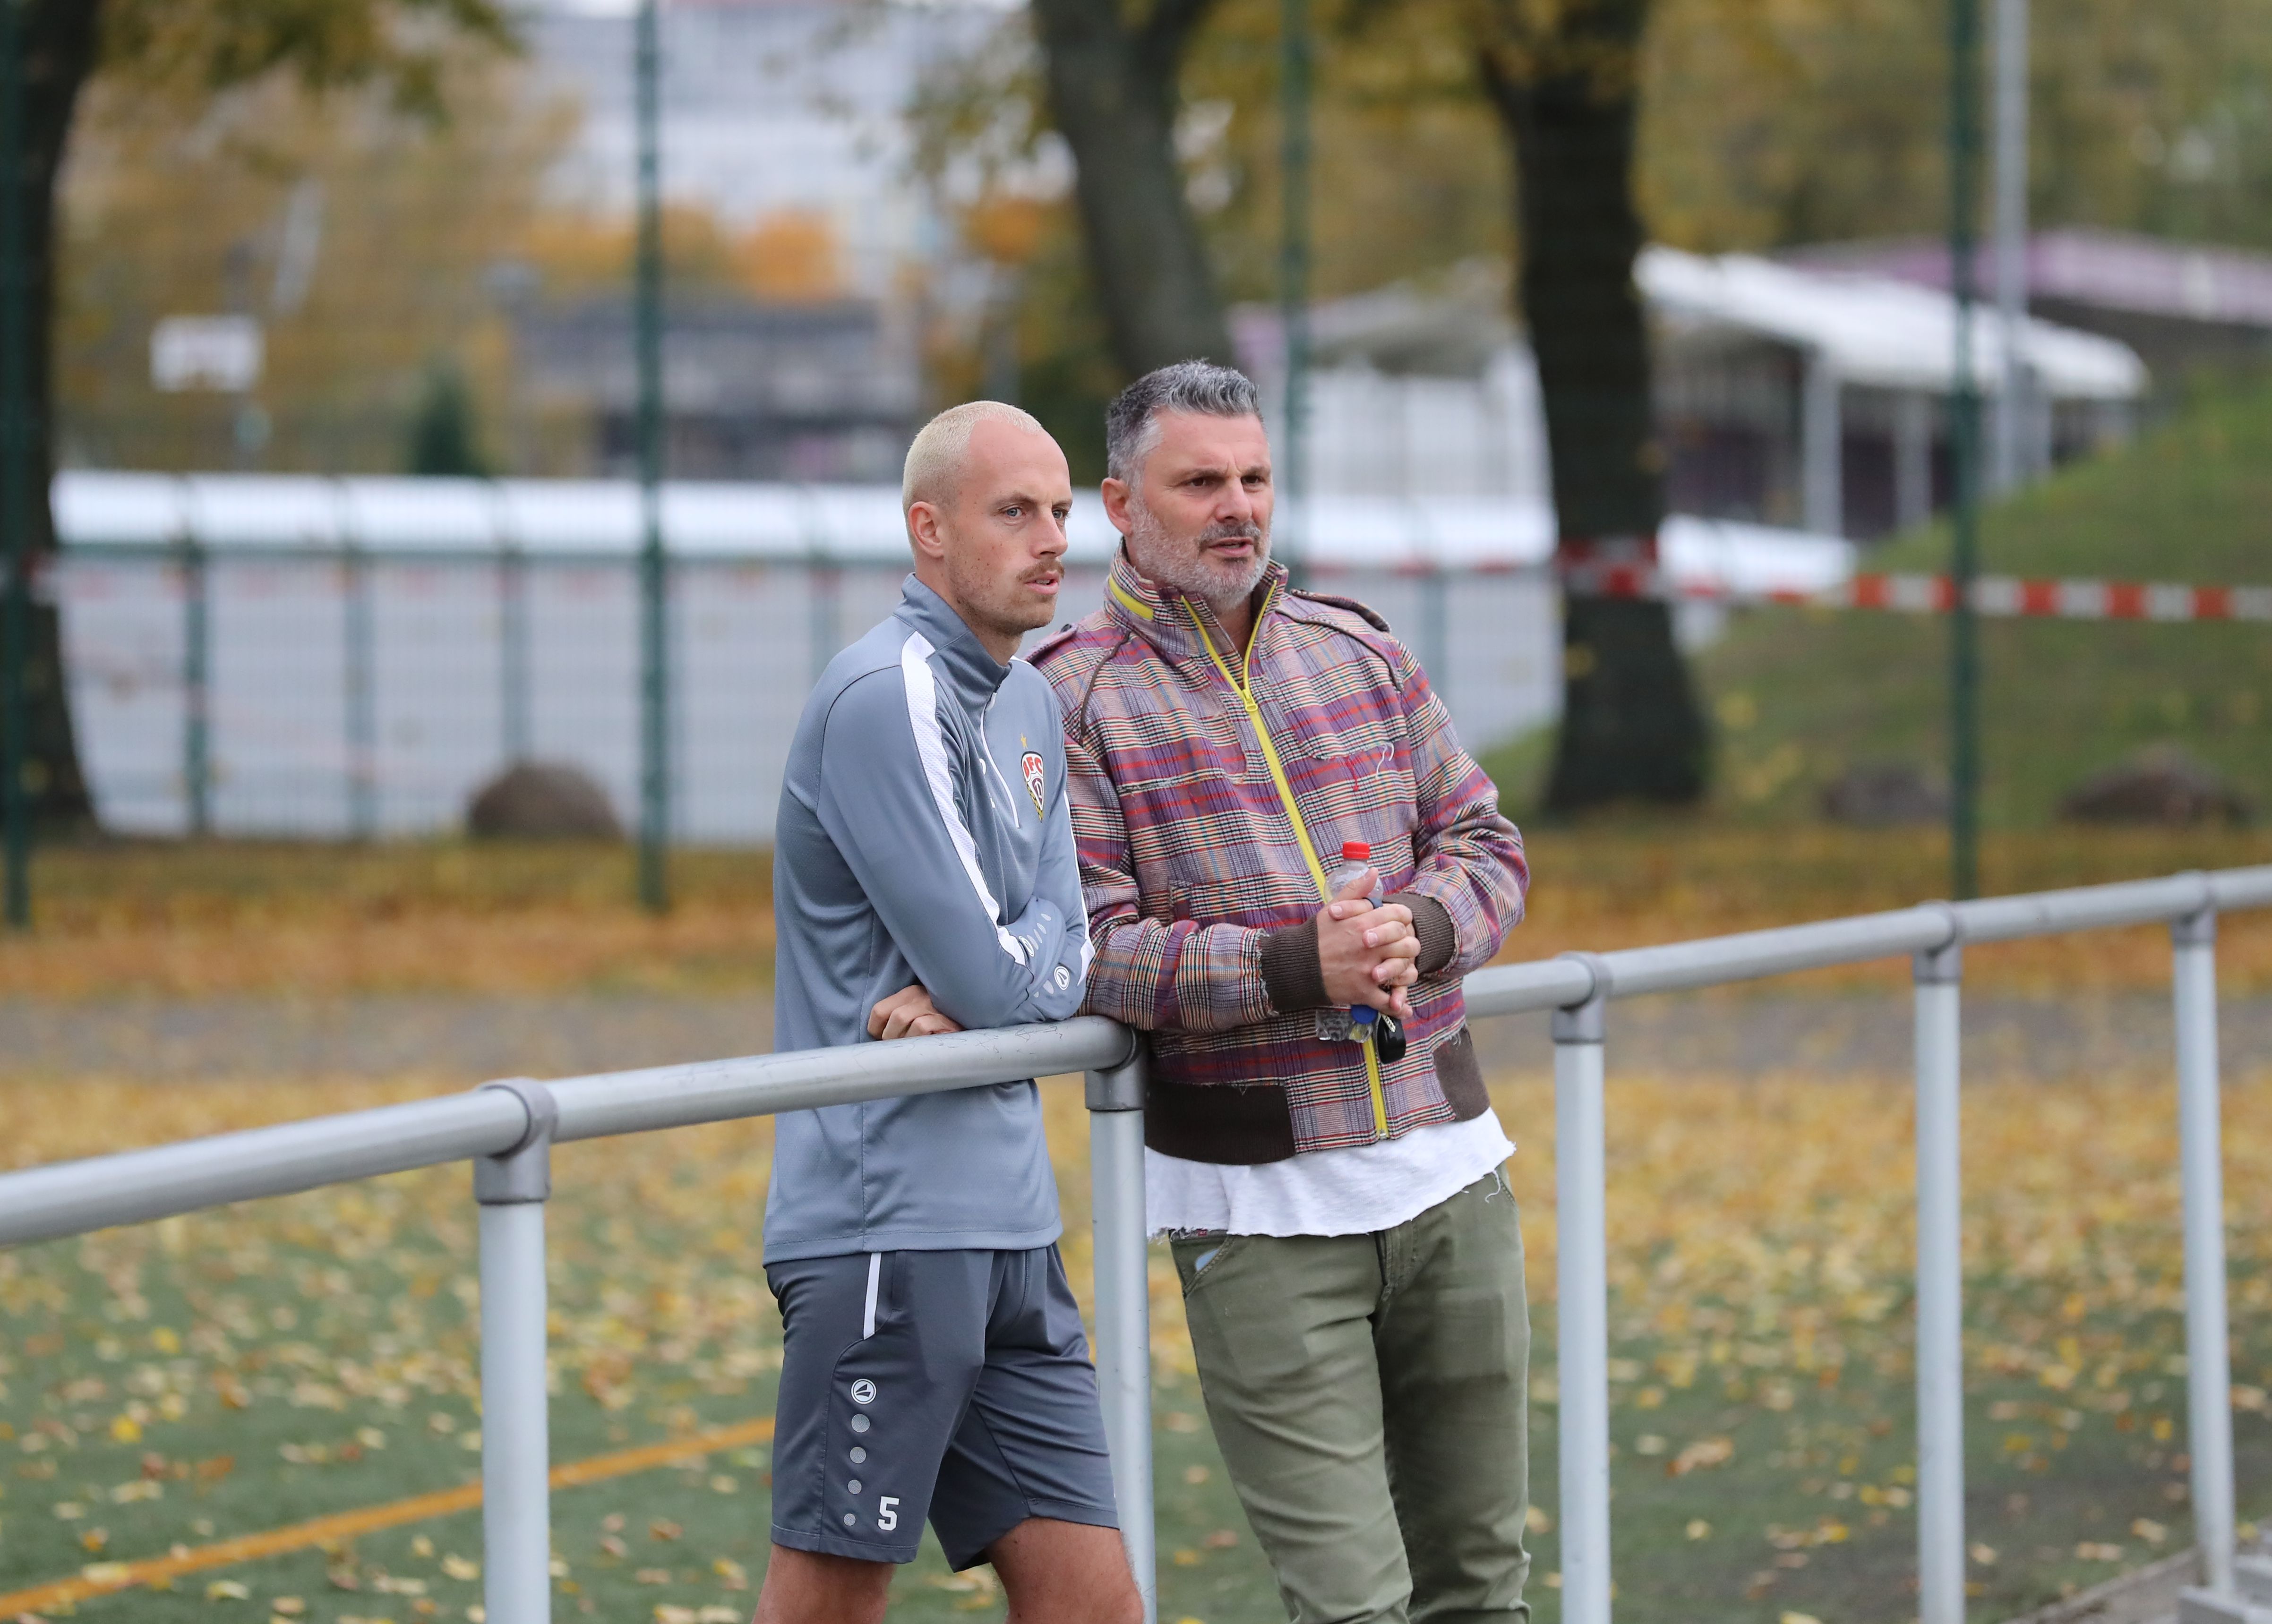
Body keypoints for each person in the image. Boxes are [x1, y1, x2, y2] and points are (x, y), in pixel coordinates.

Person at [1031, 362, 1533, 1624]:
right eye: (1199, 482)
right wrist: (1290, 966)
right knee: (1352, 1611)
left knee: (1481, 1590)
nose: (1236, 507)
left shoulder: (1357, 649)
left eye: (1254, 477)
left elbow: (1487, 844)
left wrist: (1420, 927)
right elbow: (1085, 952)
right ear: (1118, 503)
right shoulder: (1067, 699)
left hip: (1452, 1178)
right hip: (1256, 1217)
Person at [755, 401, 1140, 1624]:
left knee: (1095, 1609)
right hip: (887, 1228)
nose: (1049, 540)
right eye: (1012, 512)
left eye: (1060, 512)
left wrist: (999, 983)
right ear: (928, 531)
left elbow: (1069, 949)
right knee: (830, 1602)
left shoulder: (1027, 701)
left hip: (1013, 1230)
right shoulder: (886, 694)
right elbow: (998, 974)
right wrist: (1002, 982)